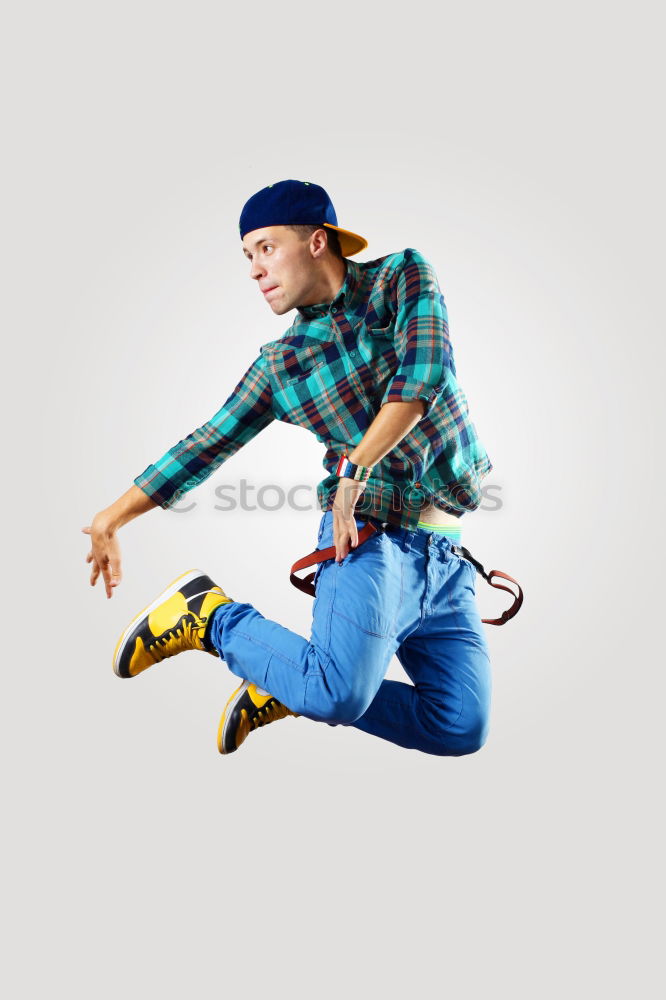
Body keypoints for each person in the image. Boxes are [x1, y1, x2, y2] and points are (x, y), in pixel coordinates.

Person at [83, 178, 494, 757]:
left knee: (459, 726)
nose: (254, 269)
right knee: (336, 694)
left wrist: (354, 467)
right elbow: (207, 443)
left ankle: (291, 676)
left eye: (266, 247)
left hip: (444, 553)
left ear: (318, 241)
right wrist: (112, 516)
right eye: (247, 256)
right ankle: (209, 617)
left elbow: (423, 374)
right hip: (365, 539)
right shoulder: (281, 365)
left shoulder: (401, 278)